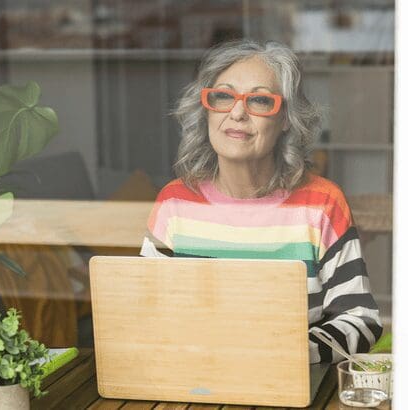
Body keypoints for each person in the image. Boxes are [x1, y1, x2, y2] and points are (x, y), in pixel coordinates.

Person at [140, 40, 382, 364]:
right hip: (197, 378)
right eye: (223, 96)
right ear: (207, 109)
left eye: (259, 101)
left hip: (290, 383)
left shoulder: (322, 205)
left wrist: (288, 353)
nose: (237, 113)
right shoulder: (174, 204)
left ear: (285, 119)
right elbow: (144, 312)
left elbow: (361, 319)